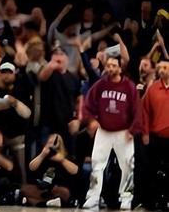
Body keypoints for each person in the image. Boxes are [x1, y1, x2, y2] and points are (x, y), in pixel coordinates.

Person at [81, 56, 141, 209]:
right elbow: (87, 104)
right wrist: (91, 120)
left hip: (123, 132)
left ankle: (126, 197)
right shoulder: (100, 85)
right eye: (108, 65)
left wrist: (133, 129)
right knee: (97, 164)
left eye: (114, 65)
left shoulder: (129, 86)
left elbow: (137, 110)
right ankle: (93, 197)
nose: (110, 68)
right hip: (104, 131)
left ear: (120, 68)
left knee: (128, 166)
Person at [141, 58, 169, 210]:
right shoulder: (152, 89)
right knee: (152, 170)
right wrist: (145, 132)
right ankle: (152, 201)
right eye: (160, 67)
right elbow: (144, 112)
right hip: (156, 137)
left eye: (165, 67)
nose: (162, 70)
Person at [22, 133, 79, 207]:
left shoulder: (66, 156)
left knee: (65, 192)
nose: (52, 145)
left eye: (54, 143)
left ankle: (38, 202)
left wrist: (62, 160)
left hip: (57, 189)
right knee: (25, 189)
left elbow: (75, 170)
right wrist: (42, 155)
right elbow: (31, 167)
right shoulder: (43, 156)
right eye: (49, 143)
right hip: (43, 189)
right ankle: (48, 203)